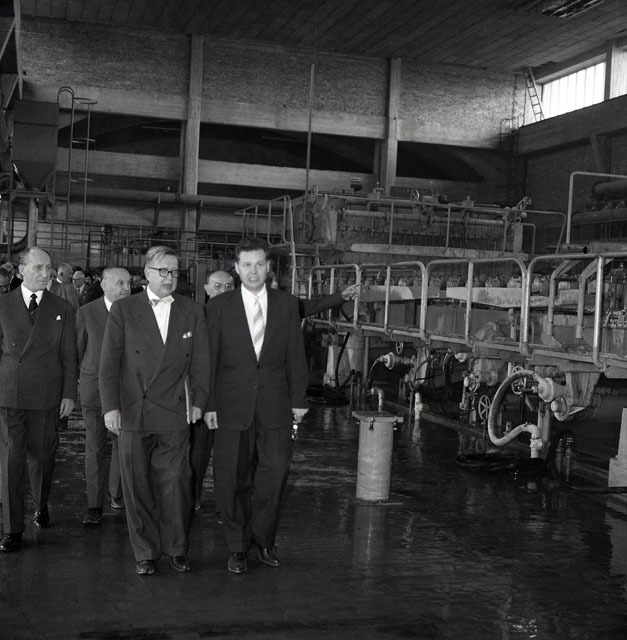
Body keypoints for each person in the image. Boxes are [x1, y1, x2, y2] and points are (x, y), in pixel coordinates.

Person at [99, 246, 210, 576]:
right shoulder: (124, 310)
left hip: (174, 411)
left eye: (174, 271)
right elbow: (109, 363)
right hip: (134, 411)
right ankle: (145, 551)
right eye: (163, 271)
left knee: (175, 482)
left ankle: (176, 547)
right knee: (137, 486)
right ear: (146, 274)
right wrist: (110, 407)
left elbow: (201, 362)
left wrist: (199, 401)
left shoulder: (192, 311)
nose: (169, 277)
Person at [204, 237, 309, 574]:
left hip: (276, 405)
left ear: (269, 267)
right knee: (231, 479)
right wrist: (209, 404)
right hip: (230, 406)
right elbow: (209, 360)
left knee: (274, 475)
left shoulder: (287, 305)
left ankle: (264, 541)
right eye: (247, 265)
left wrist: (299, 400)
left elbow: (296, 355)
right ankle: (237, 546)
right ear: (236, 268)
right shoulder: (219, 308)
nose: (253, 271)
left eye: (259, 264)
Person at [0, 247, 77, 552]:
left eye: (49, 268)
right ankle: (12, 528)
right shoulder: (3, 304)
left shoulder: (62, 308)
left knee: (43, 458)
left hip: (47, 395)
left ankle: (40, 503)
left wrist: (69, 393)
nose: (46, 274)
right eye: (39, 268)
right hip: (10, 394)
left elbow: (69, 355)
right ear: (21, 271)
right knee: (11, 461)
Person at [77, 267, 131, 526]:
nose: (126, 288)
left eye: (128, 283)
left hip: (127, 392)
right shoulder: (87, 313)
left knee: (124, 446)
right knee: (95, 446)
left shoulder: (137, 312)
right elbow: (78, 351)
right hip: (94, 392)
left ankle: (117, 494)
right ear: (104, 285)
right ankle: (94, 504)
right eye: (120, 283)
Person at [189, 269, 235, 512]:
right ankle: (191, 498)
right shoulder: (197, 316)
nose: (223, 291)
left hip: (233, 398)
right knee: (198, 453)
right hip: (204, 396)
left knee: (229, 456)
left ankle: (225, 503)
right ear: (206, 288)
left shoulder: (243, 318)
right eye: (218, 286)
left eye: (229, 286)